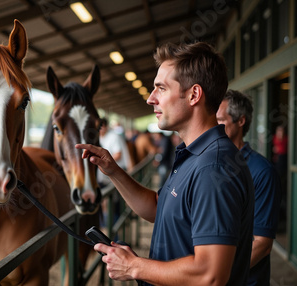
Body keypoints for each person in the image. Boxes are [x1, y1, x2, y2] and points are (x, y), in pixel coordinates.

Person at [76, 41, 254, 285]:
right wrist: (113, 171)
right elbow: (160, 208)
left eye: (161, 88)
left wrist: (133, 266)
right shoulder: (194, 155)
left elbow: (210, 274)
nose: (150, 99)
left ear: (194, 95)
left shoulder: (213, 167)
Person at [217, 89, 281, 286]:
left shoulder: (262, 171)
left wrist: (218, 276)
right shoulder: (209, 164)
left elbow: (261, 244)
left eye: (220, 120)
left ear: (241, 121)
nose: (212, 126)